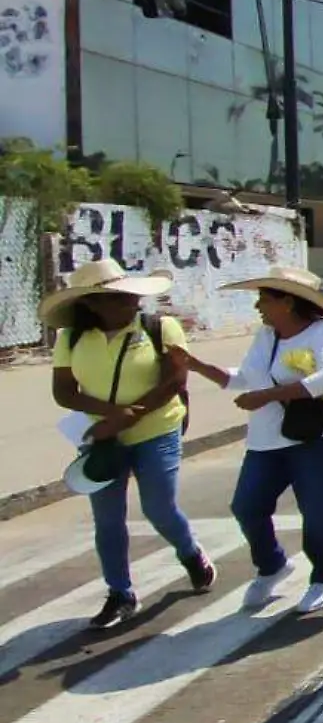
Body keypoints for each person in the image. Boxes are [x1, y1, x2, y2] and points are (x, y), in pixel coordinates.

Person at [43, 259, 215, 629]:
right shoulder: (71, 338)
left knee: (158, 508)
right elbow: (64, 392)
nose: (133, 303)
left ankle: (191, 553)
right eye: (120, 298)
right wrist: (110, 415)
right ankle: (120, 593)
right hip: (103, 437)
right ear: (93, 304)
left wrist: (130, 415)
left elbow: (174, 382)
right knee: (107, 519)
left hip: (157, 431)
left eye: (132, 296)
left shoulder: (160, 327)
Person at [189, 266, 323, 613]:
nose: (258, 306)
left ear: (288, 302)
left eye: (265, 299)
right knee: (247, 506)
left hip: (316, 438)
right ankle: (273, 565)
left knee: (317, 512)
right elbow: (247, 377)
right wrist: (196, 365)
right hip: (266, 441)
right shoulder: (266, 335)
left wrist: (267, 396)